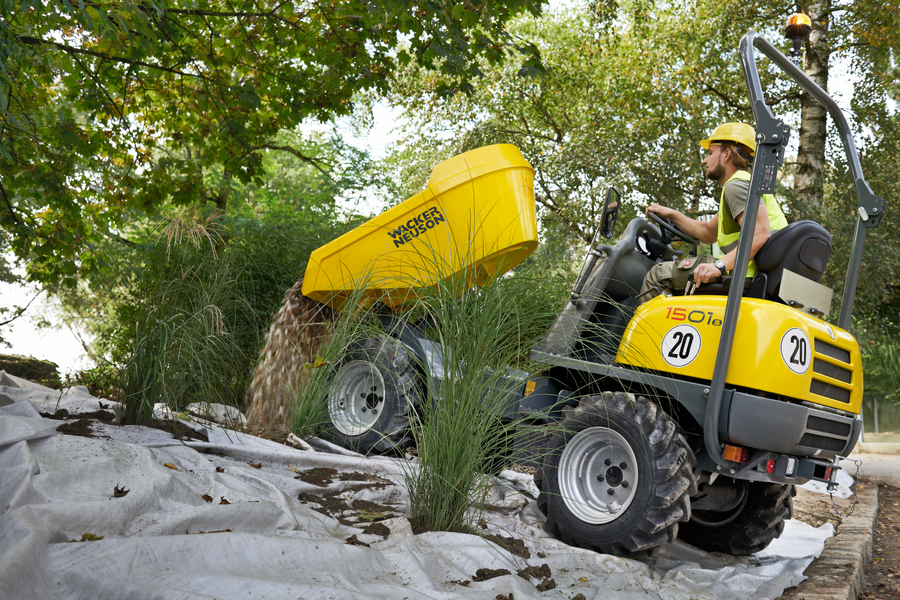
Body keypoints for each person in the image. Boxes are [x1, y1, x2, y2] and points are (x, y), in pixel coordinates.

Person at [638, 122, 788, 300]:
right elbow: (708, 232)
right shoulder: (745, 184)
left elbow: (760, 233)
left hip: (744, 274)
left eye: (710, 153)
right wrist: (672, 214)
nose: (705, 160)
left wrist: (720, 265)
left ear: (727, 154)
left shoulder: (736, 186)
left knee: (657, 275)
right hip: (753, 271)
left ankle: (642, 329)